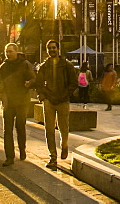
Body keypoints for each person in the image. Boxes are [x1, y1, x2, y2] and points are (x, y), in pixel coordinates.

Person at [33, 40, 78, 171]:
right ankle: (53, 156)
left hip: (63, 100)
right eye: (49, 48)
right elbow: (39, 84)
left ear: (58, 49)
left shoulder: (67, 65)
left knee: (64, 127)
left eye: (54, 48)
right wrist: (43, 97)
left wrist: (66, 95)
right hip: (49, 101)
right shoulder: (44, 66)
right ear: (47, 51)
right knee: (49, 129)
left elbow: (73, 83)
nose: (52, 50)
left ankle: (64, 145)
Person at [0, 43, 35, 166]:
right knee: (7, 130)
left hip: (22, 101)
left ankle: (22, 150)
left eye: (10, 51)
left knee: (20, 127)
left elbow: (34, 78)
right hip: (8, 102)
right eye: (6, 52)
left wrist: (29, 83)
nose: (8, 54)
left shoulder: (25, 64)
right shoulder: (4, 66)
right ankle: (9, 157)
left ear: (16, 52)